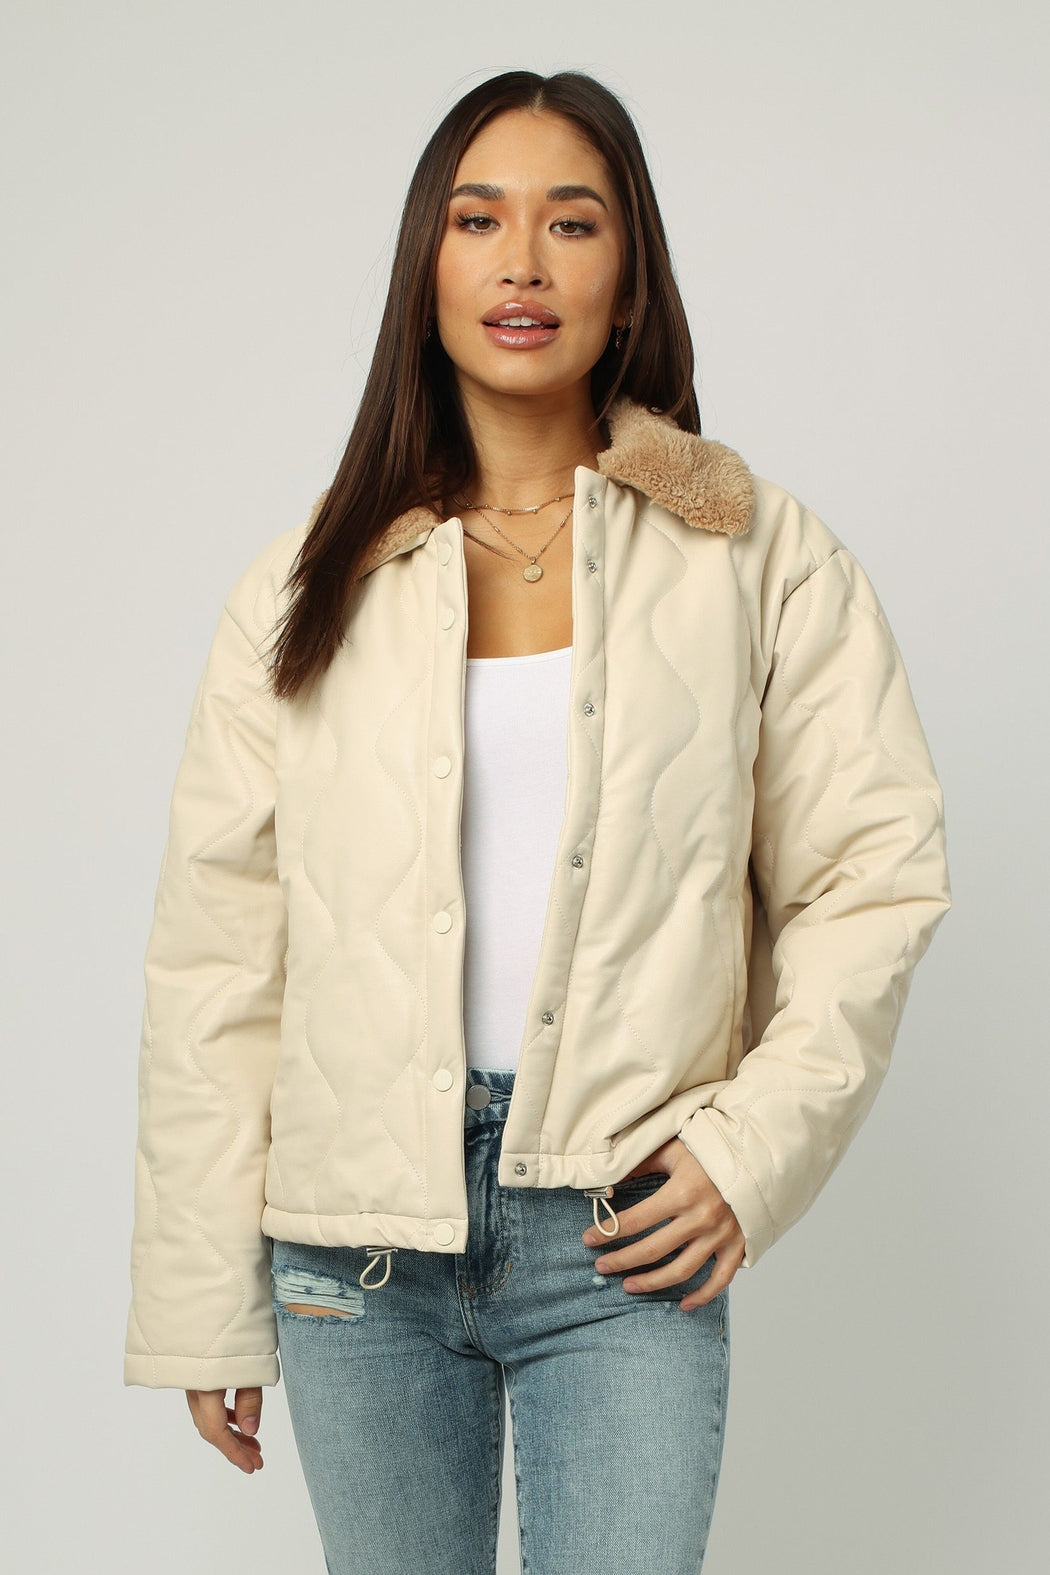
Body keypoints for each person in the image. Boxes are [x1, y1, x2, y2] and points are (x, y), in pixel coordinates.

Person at [123, 68, 951, 1575]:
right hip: (354, 1248)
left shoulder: (756, 557)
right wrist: (199, 1299)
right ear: (424, 270)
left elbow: (870, 879)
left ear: (626, 282)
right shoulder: (308, 585)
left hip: (622, 1225)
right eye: (476, 221)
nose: (522, 263)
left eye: (571, 223)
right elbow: (219, 958)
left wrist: (749, 1150)